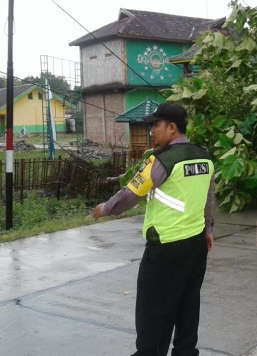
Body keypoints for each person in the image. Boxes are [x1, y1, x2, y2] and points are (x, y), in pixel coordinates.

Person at [92, 102, 215, 355]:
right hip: (196, 246)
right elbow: (207, 198)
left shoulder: (162, 161)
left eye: (155, 125)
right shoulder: (205, 157)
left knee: (154, 312)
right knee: (188, 304)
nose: (151, 131)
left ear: (172, 128)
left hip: (166, 249)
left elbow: (130, 194)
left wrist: (105, 208)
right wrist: (208, 230)